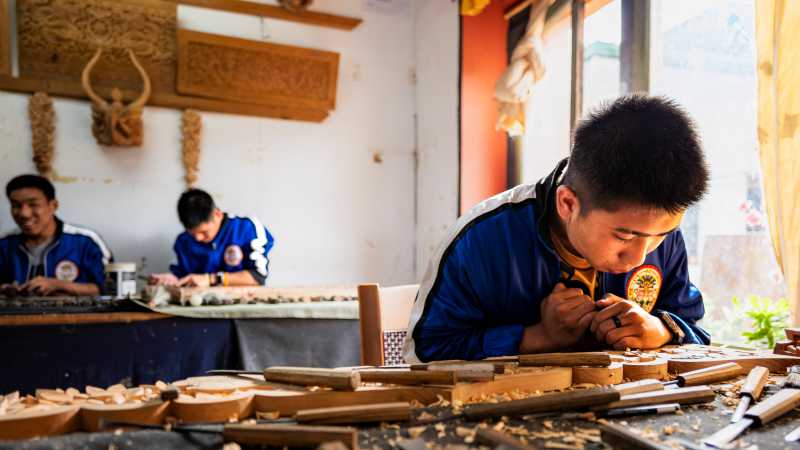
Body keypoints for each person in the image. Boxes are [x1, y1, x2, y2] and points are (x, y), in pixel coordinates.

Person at [403, 95, 710, 363]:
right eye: (624, 236)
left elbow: (694, 328)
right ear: (568, 204)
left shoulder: (657, 230)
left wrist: (660, 330)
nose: (639, 257)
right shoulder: (481, 241)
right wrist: (537, 338)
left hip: (634, 406)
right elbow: (424, 352)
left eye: (661, 236)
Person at [0, 175, 112, 296]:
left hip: (78, 310)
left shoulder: (86, 241)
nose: (24, 214)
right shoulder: (4, 244)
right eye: (16, 205)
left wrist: (58, 285)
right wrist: (4, 289)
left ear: (53, 205)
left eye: (33, 204)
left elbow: (110, 288)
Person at [149, 189, 274, 287]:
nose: (198, 238)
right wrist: (172, 279)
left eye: (204, 232)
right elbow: (181, 276)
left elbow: (258, 276)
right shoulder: (183, 241)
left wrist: (211, 279)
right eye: (192, 233)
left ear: (217, 214)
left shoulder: (246, 229)